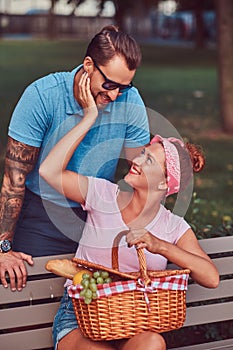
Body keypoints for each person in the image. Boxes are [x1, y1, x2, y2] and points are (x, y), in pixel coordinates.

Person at [39, 74, 219, 350]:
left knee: (153, 343)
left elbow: (211, 277)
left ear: (163, 183)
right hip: (80, 319)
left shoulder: (173, 227)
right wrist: (88, 118)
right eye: (142, 152)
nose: (135, 159)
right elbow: (48, 171)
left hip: (133, 322)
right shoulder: (102, 195)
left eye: (148, 160)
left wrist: (160, 246)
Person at [0, 25, 150, 291]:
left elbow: (142, 175)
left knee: (100, 308)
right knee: (31, 298)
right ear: (89, 65)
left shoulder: (131, 101)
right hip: (42, 216)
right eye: (110, 84)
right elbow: (14, 181)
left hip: (99, 216)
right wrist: (3, 249)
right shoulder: (43, 96)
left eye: (124, 87)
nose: (115, 95)